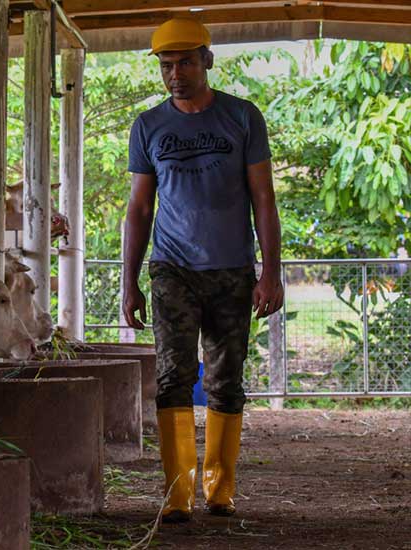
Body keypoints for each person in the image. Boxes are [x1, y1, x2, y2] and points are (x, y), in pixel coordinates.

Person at [122, 17, 284, 523]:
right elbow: (139, 209)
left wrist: (271, 273)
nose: (176, 74)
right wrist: (129, 283)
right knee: (173, 377)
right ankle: (176, 493)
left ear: (207, 60)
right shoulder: (148, 126)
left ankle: (220, 489)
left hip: (233, 269)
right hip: (172, 268)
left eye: (185, 62)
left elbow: (263, 198)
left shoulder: (242, 118)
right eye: (167, 66)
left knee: (225, 379)